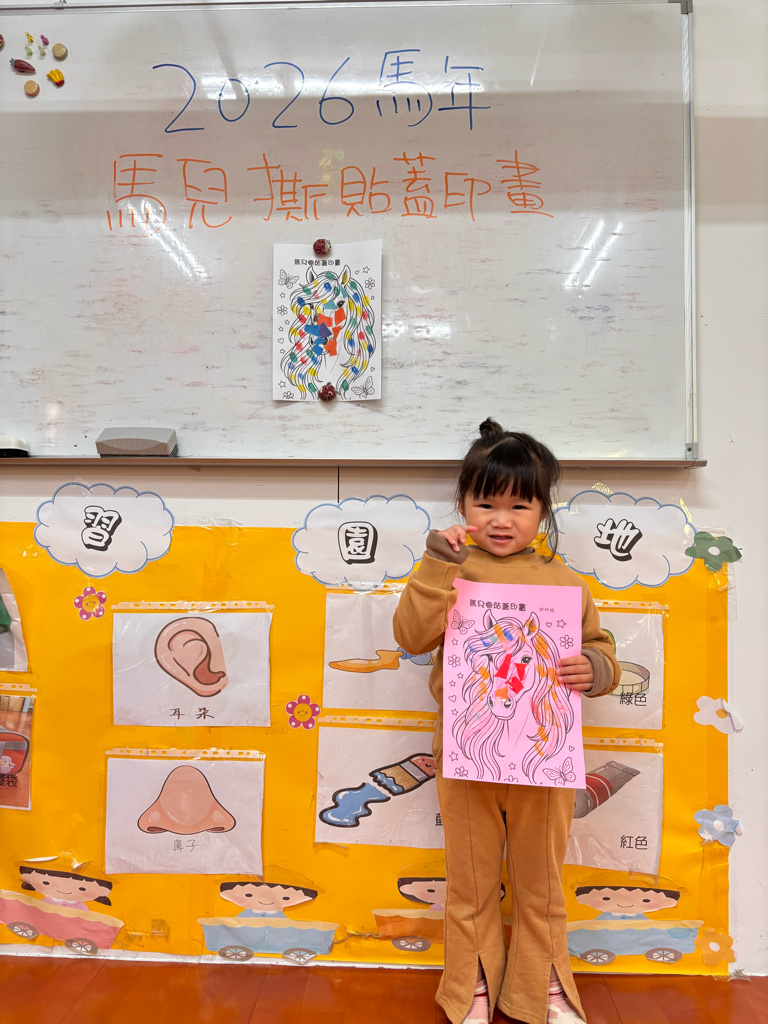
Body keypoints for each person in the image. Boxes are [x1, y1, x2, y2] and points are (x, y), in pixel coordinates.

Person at [392, 419, 621, 1024]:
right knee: (469, 880)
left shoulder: (565, 582)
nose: (501, 519)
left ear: (542, 511)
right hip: (467, 753)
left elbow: (599, 648)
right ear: (462, 503)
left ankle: (540, 987)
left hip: (543, 758)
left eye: (519, 505)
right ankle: (470, 985)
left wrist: (596, 667)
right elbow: (412, 636)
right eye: (485, 503)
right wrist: (436, 564)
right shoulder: (449, 569)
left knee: (541, 882)